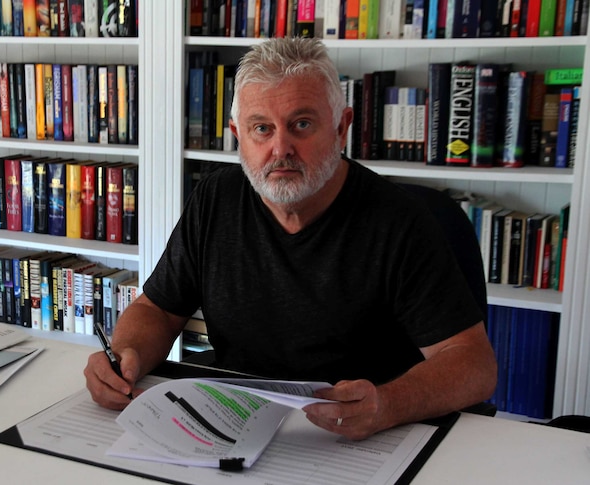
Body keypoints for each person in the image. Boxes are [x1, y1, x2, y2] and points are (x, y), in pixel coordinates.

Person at [84, 37, 497, 440]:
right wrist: (125, 357)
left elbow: (472, 363)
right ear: (237, 136)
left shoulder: (399, 221)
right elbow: (158, 307)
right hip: (238, 425)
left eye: (301, 124)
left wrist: (389, 403)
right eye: (261, 128)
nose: (281, 148)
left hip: (361, 436)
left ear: (341, 128)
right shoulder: (216, 198)